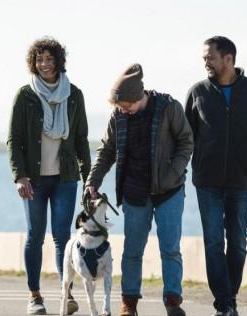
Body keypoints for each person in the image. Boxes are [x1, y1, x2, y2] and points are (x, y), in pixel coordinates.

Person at [184, 36, 247, 316]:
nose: (205, 62)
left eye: (210, 57)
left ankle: (230, 298)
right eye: (204, 58)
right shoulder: (197, 93)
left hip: (241, 181)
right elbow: (185, 137)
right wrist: (177, 170)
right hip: (207, 182)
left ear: (228, 59)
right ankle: (225, 304)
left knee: (238, 244)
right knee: (214, 243)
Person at [85, 63, 194, 316]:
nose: (123, 109)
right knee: (132, 250)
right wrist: (93, 180)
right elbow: (107, 150)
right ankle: (129, 304)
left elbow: (186, 142)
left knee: (170, 249)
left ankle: (173, 301)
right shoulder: (119, 116)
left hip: (170, 191)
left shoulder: (169, 108)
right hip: (135, 193)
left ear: (138, 97)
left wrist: (172, 173)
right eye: (119, 106)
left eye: (126, 105)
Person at [7, 36, 91, 315]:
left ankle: (66, 295)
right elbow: (14, 140)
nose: (44, 64)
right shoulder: (25, 95)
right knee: (34, 236)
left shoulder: (74, 94)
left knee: (62, 237)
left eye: (49, 59)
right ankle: (35, 296)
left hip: (65, 178)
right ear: (34, 62)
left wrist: (89, 179)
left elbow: (81, 139)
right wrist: (20, 176)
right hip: (34, 179)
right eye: (39, 59)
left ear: (58, 62)